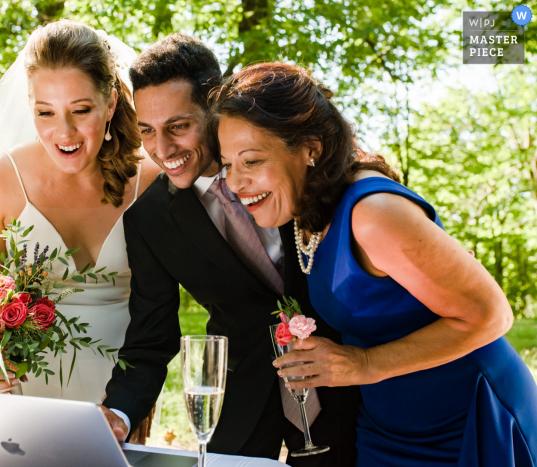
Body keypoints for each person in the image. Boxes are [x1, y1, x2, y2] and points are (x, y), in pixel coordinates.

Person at [209, 62, 537, 466]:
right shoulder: (307, 213)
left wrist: (362, 364)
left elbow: (492, 314)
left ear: (310, 148)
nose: (236, 183)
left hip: (467, 423)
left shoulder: (372, 213)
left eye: (252, 161)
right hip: (388, 429)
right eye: (228, 165)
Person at [100, 35, 361, 466]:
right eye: (147, 130)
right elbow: (150, 339)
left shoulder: (289, 161)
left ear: (215, 107)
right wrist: (120, 413)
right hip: (241, 402)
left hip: (351, 386)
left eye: (178, 126)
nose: (162, 150)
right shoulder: (148, 222)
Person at [0, 20, 161, 410]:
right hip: (22, 392)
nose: (64, 132)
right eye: (45, 112)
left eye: (80, 110)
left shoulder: (149, 182)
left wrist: (129, 407)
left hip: (124, 392)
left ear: (110, 103)